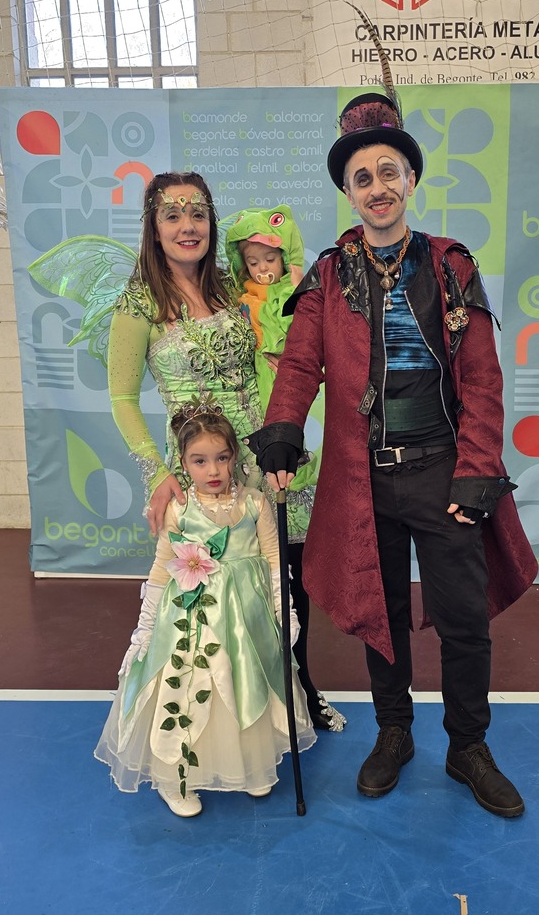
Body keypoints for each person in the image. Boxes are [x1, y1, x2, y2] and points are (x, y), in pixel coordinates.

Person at [247, 93, 539, 818]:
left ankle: (468, 746)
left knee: (463, 617)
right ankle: (394, 732)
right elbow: (299, 365)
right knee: (379, 611)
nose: (377, 187)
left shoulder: (449, 265)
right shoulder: (326, 274)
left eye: (389, 172)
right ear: (348, 192)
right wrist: (283, 427)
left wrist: (477, 469)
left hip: (443, 470)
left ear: (410, 179)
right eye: (362, 178)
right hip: (363, 477)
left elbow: (482, 378)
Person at [105, 172, 345, 731]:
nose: (187, 226)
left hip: (265, 453)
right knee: (211, 588)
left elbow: (277, 329)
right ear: (153, 227)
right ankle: (213, 711)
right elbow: (122, 399)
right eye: (173, 215)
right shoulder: (138, 304)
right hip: (202, 467)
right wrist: (155, 473)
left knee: (284, 578)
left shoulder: (232, 286)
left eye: (198, 214)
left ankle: (298, 688)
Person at [93, 403, 315, 817]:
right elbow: (161, 567)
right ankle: (175, 776)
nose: (213, 470)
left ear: (234, 457)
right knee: (190, 684)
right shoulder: (179, 509)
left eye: (222, 458)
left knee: (245, 681)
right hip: (191, 619)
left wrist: (285, 612)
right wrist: (144, 628)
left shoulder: (255, 503)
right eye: (199, 461)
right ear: (183, 463)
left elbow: (273, 561)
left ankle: (251, 765)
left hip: (246, 620)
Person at [225, 206, 344, 733]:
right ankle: (243, 690)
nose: (262, 268)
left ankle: (301, 683)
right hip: (236, 449)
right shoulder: (230, 306)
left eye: (270, 258)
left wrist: (297, 362)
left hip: (289, 441)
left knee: (290, 573)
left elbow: (327, 355)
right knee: (239, 574)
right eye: (252, 261)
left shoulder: (308, 297)